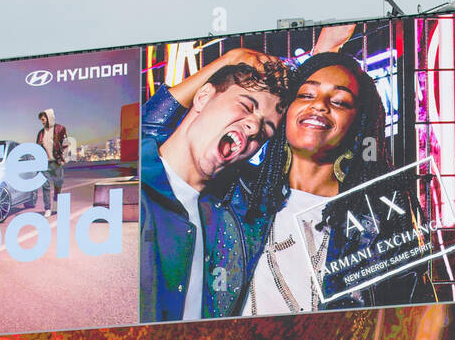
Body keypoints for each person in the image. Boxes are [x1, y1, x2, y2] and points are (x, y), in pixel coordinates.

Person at [144, 44, 433, 318]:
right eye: (306, 95)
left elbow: (413, 309)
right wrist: (227, 62)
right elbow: (152, 139)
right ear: (284, 115)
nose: (320, 106)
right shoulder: (240, 191)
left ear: (359, 123)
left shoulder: (378, 212)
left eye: (340, 101)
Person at [138, 59, 290, 322]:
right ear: (203, 96)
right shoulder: (131, 189)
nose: (254, 128)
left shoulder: (235, 217)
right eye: (245, 105)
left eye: (265, 130)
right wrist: (228, 59)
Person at [36, 110, 68, 218]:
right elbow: (37, 148)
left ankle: (55, 205)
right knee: (45, 186)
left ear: (49, 118)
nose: (42, 122)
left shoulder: (60, 129)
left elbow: (66, 144)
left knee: (58, 185)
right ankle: (47, 209)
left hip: (57, 162)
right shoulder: (40, 133)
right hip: (44, 164)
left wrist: (64, 158)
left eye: (43, 120)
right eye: (41, 121)